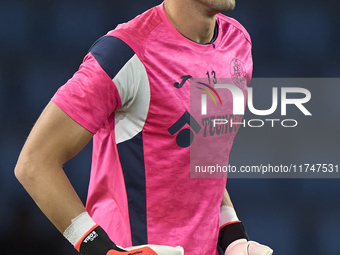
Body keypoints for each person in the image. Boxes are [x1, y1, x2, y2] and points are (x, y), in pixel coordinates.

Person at [15, 0, 273, 255]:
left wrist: (233, 236)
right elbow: (34, 163)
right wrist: (104, 251)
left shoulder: (237, 43)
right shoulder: (124, 53)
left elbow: (199, 161)